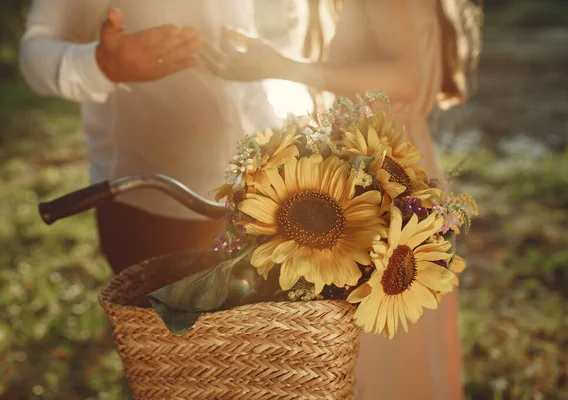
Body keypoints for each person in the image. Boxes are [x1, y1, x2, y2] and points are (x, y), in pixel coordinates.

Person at [204, 0, 483, 399]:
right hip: (385, 167)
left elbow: (406, 77)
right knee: (384, 336)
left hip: (382, 178)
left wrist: (278, 66)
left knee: (378, 340)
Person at [19, 0, 283, 274]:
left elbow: (244, 69)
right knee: (151, 316)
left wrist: (278, 141)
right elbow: (34, 54)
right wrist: (100, 65)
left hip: (248, 196)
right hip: (152, 205)